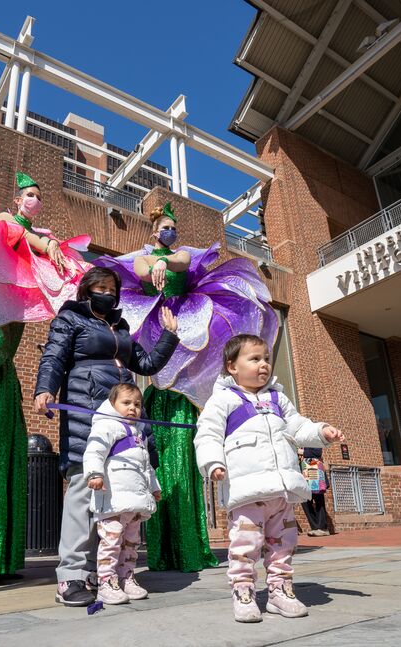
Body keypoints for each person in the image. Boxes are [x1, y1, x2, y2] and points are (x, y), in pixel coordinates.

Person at [96, 202, 278, 573]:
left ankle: (186, 545)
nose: (169, 233)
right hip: (159, 363)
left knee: (182, 452)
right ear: (152, 232)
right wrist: (153, 264)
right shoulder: (145, 257)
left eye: (172, 228)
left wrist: (167, 262)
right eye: (163, 228)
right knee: (158, 461)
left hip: (185, 331)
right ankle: (163, 547)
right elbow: (142, 268)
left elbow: (179, 261)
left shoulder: (179, 253)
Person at [0, 171, 91, 580]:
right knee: (0, 352)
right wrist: (44, 243)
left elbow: (41, 241)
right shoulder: (5, 220)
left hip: (15, 308)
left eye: (38, 196)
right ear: (17, 198)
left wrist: (54, 247)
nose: (34, 201)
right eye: (30, 194)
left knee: (8, 354)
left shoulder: (35, 232)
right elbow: (12, 234)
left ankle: (0, 552)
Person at [34, 266, 180, 607]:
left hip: (123, 413)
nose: (106, 292)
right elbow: (54, 355)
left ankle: (102, 572)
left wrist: (169, 336)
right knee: (84, 489)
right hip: (87, 406)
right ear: (86, 290)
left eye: (111, 288)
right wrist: (45, 389)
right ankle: (70, 576)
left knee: (115, 494)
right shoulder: (70, 319)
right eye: (99, 286)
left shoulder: (122, 327)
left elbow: (144, 364)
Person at [195, 334, 345, 623]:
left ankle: (280, 591)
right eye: (254, 359)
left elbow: (298, 426)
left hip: (281, 491)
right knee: (245, 545)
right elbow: (208, 434)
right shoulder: (223, 399)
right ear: (232, 367)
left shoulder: (278, 397)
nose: (263, 364)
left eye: (266, 358)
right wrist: (213, 463)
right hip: (247, 491)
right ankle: (243, 592)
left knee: (283, 544)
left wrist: (321, 431)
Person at [82, 384, 161, 605]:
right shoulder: (106, 426)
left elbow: (146, 466)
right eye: (126, 403)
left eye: (137, 404)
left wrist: (154, 486)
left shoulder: (140, 434)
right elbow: (94, 451)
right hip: (113, 499)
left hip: (135, 501)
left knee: (131, 542)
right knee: (111, 540)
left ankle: (127, 577)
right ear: (112, 404)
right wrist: (94, 474)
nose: (132, 408)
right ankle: (107, 581)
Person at [300, 448, 330, 537]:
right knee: (304, 499)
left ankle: (322, 528)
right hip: (304, 470)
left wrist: (303, 452)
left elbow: (318, 452)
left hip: (313, 469)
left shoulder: (311, 437)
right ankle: (315, 527)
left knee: (318, 498)